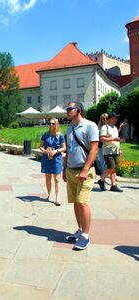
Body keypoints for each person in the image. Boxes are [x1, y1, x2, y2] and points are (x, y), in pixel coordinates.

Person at [63, 101, 99, 250]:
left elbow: (94, 149)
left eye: (69, 108)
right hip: (71, 170)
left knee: (82, 202)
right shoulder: (70, 129)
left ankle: (86, 235)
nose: (67, 111)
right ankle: (79, 230)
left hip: (85, 171)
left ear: (78, 110)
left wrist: (85, 169)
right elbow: (69, 150)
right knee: (76, 203)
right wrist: (64, 168)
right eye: (67, 109)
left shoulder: (90, 126)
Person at [39, 118, 66, 206]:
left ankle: (57, 198)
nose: (51, 125)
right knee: (48, 178)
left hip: (57, 158)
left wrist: (56, 151)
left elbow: (64, 148)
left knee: (57, 179)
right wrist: (44, 151)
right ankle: (49, 194)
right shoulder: (45, 135)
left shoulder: (60, 135)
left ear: (56, 124)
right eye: (49, 123)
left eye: (53, 123)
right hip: (47, 158)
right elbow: (40, 146)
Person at [97, 112, 124, 192]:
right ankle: (101, 180)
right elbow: (102, 139)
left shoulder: (115, 127)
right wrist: (113, 139)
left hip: (115, 151)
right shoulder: (105, 127)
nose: (116, 119)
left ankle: (113, 185)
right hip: (108, 151)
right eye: (115, 118)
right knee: (111, 168)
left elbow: (116, 139)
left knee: (114, 168)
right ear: (111, 118)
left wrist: (119, 148)